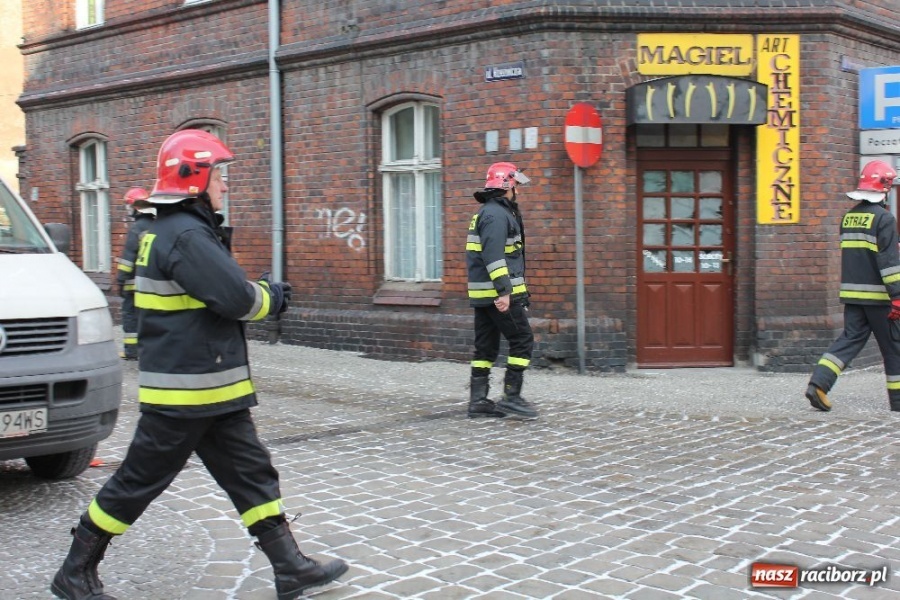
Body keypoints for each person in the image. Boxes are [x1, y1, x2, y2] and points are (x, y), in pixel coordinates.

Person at [51, 129, 348, 600]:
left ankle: (290, 567)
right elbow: (235, 298)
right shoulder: (185, 234)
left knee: (252, 474)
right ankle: (75, 572)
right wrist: (271, 296)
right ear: (195, 177)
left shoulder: (166, 229)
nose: (225, 185)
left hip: (209, 390)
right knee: (136, 483)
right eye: (219, 175)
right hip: (186, 395)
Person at [806, 159, 900, 412]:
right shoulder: (885, 219)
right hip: (880, 300)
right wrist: (898, 296)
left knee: (849, 341)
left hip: (852, 295)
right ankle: (898, 402)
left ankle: (819, 383)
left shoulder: (848, 218)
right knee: (894, 348)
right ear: (884, 187)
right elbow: (889, 263)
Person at [465, 161, 538, 420]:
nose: (518, 189)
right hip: (498, 295)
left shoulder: (491, 212)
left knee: (485, 348)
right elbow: (495, 257)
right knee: (522, 340)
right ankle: (511, 397)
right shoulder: (496, 215)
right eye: (515, 184)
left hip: (485, 295)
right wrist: (505, 292)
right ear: (506, 184)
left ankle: (478, 401)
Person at [115, 187, 155, 360]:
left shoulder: (137, 228)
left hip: (133, 284)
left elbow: (128, 260)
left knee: (130, 314)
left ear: (135, 207)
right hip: (153, 282)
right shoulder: (157, 225)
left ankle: (131, 351)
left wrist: (120, 280)